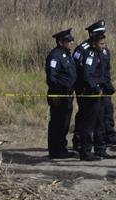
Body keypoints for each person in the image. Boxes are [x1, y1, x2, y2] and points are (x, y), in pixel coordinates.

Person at [73, 23, 108, 162]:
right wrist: (95, 88)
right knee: (87, 123)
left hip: (97, 91)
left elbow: (102, 71)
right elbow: (86, 74)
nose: (104, 46)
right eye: (101, 43)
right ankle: (85, 151)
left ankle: (99, 148)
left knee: (99, 120)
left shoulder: (99, 52)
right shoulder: (88, 53)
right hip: (89, 92)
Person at [45, 29, 78, 160]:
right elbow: (52, 78)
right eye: (68, 41)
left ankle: (62, 147)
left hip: (68, 94)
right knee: (57, 122)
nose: (71, 43)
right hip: (58, 94)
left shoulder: (67, 55)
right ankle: (55, 150)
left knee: (65, 122)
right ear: (60, 42)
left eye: (71, 40)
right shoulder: (55, 56)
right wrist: (56, 93)